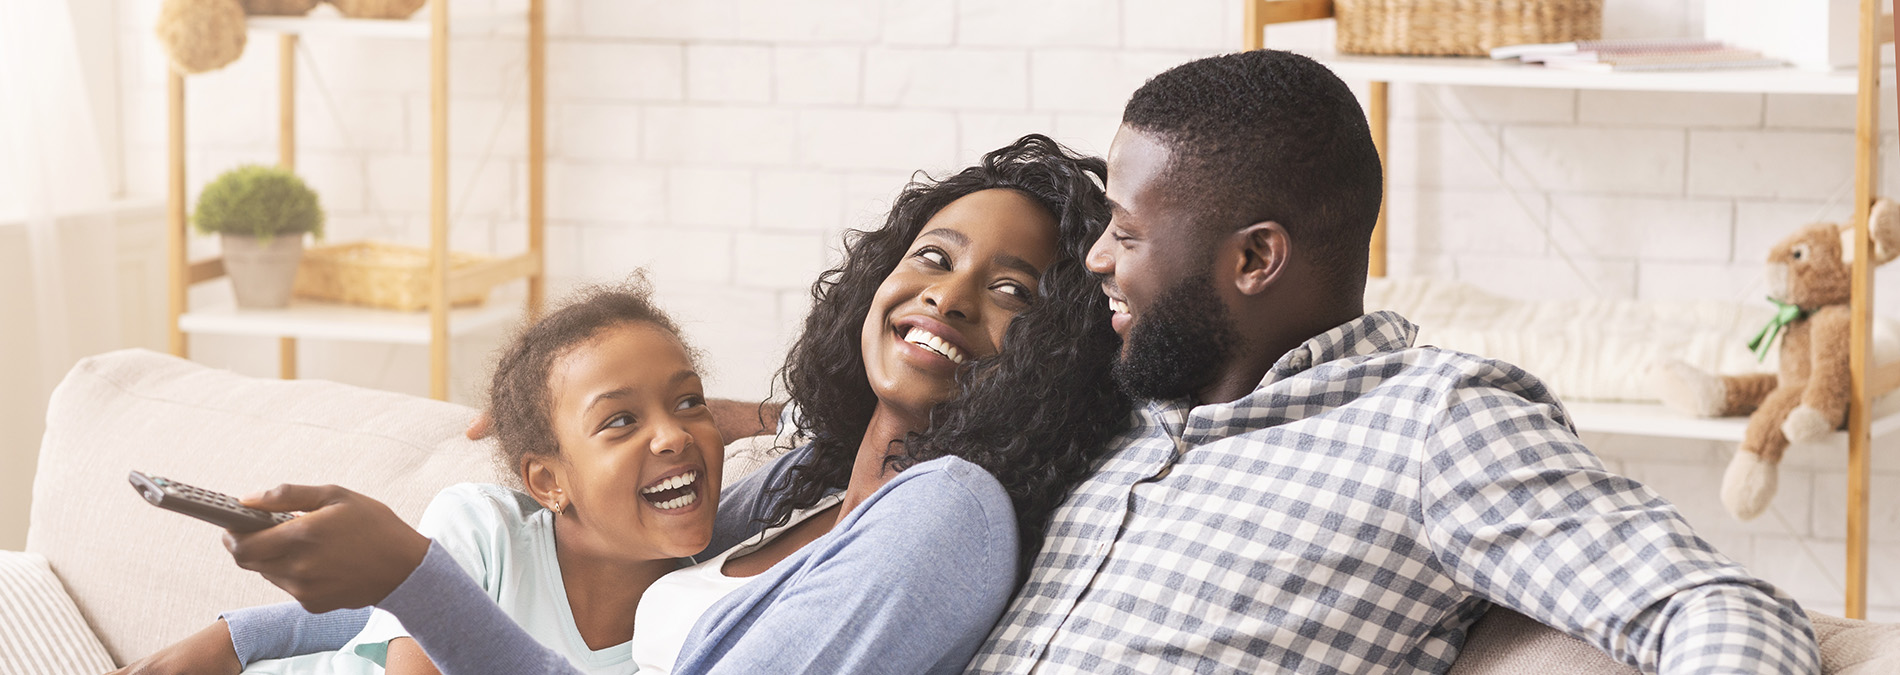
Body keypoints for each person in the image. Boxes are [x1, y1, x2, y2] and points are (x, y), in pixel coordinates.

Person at [119, 134, 1127, 675]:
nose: (947, 296)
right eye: (933, 258)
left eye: (1010, 292)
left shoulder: (950, 514)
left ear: (1057, 349)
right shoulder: (800, 487)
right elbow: (555, 577)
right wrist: (242, 636)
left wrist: (409, 575)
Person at [960, 50, 1820, 673]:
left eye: (1130, 231)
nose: (1099, 258)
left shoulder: (1434, 423)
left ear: (1256, 259)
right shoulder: (1117, 397)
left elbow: (1716, 606)